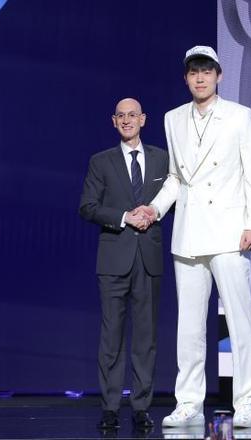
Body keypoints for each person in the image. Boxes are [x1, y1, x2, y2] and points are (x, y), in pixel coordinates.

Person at [136, 45, 251, 428]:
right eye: (194, 72)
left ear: (218, 76)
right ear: (186, 78)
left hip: (229, 232)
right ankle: (189, 402)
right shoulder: (173, 118)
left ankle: (247, 400)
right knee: (189, 328)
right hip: (189, 233)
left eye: (207, 71)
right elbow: (176, 178)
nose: (201, 78)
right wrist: (154, 209)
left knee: (240, 322)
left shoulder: (239, 116)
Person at [79, 98, 168, 431]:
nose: (127, 120)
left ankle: (141, 407)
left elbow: (174, 200)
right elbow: (87, 207)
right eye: (121, 116)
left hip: (148, 258)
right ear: (114, 121)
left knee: (145, 339)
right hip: (113, 259)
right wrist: (123, 217)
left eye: (133, 115)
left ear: (143, 119)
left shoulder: (162, 159)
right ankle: (110, 408)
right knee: (111, 338)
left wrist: (152, 213)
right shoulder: (100, 161)